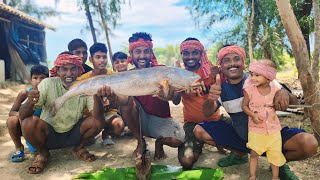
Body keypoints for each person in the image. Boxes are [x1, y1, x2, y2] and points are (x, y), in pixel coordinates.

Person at [196, 45, 318, 179]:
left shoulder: (261, 77)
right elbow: (207, 112)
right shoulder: (220, 88)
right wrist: (210, 98)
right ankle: (239, 155)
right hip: (242, 139)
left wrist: (284, 93)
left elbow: (295, 104)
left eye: (237, 59)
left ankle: (278, 163)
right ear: (221, 66)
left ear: (243, 63)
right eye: (226, 60)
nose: (232, 63)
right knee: (199, 131)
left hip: (270, 136)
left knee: (309, 144)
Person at [19, 52, 110, 174]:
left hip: (74, 134)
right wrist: (30, 102)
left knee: (98, 120)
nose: (69, 74)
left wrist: (98, 97)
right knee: (27, 123)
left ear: (79, 70)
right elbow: (22, 116)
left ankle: (79, 147)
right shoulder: (47, 83)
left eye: (73, 69)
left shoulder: (86, 85)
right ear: (57, 71)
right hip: (49, 135)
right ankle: (44, 154)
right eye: (64, 69)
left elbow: (97, 117)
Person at [119, 32, 185, 161]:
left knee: (178, 140)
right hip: (139, 120)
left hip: (161, 120)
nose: (142, 56)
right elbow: (122, 103)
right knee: (125, 104)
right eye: (137, 51)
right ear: (131, 55)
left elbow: (177, 101)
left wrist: (170, 96)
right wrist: (111, 98)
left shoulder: (163, 71)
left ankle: (159, 143)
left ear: (151, 53)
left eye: (146, 51)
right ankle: (140, 142)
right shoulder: (127, 76)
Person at [177, 37, 223, 169]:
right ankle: (199, 145)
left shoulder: (212, 72)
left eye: (195, 52)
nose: (190, 56)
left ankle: (218, 144)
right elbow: (174, 101)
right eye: (186, 53)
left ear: (201, 54)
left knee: (244, 137)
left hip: (216, 120)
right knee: (186, 161)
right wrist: (177, 86)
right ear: (182, 55)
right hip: (192, 124)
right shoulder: (179, 74)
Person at [242, 59, 285, 180]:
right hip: (256, 130)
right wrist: (253, 115)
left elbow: (282, 98)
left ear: (268, 77)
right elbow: (244, 106)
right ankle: (252, 176)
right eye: (252, 74)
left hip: (274, 130)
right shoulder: (249, 90)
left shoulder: (276, 89)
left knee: (275, 155)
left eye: (257, 75)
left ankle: (275, 177)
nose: (253, 78)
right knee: (254, 154)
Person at [78, 43, 125, 147]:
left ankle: (106, 133)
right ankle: (88, 138)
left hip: (109, 112)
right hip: (90, 115)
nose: (102, 60)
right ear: (91, 59)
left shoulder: (114, 76)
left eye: (104, 57)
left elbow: (119, 103)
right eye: (98, 57)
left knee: (119, 126)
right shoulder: (83, 79)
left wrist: (112, 101)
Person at [7, 65, 49, 162]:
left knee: (36, 148)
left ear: (48, 80)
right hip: (26, 126)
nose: (38, 81)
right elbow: (12, 112)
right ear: (31, 80)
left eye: (42, 78)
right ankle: (19, 148)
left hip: (42, 128)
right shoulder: (24, 93)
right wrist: (21, 116)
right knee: (12, 120)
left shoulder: (50, 93)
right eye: (35, 78)